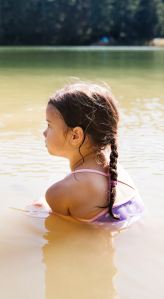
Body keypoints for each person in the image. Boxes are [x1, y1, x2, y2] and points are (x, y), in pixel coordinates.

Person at [32, 82, 146, 229]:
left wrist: (41, 209)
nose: (44, 132)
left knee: (37, 206)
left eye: (49, 125)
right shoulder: (116, 169)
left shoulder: (61, 192)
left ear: (75, 136)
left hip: (103, 246)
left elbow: (68, 233)